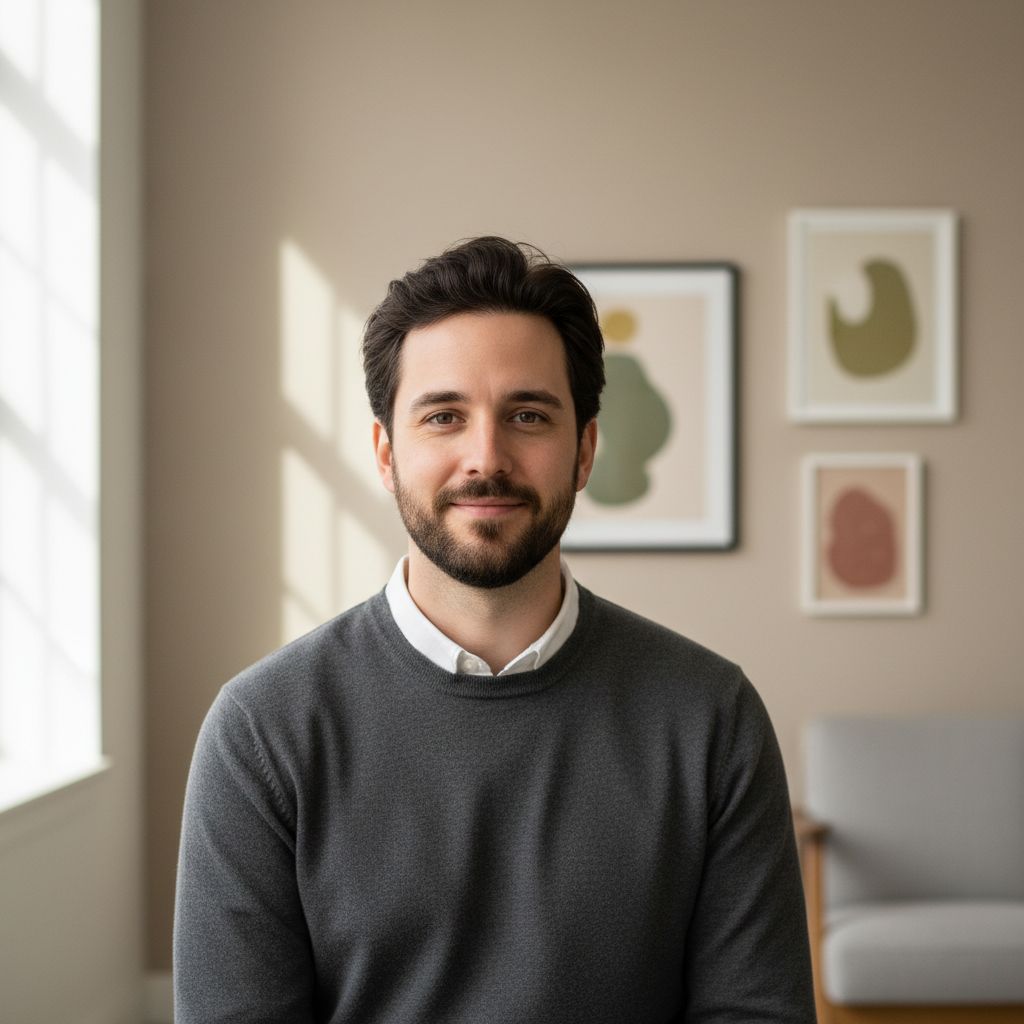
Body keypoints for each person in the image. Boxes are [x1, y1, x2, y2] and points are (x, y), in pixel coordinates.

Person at [174, 237, 816, 1023]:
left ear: (583, 451)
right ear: (385, 452)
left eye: (528, 414)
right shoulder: (261, 733)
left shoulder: (710, 716)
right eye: (444, 415)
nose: (487, 457)